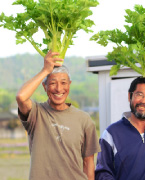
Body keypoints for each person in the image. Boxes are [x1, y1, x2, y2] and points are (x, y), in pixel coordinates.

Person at [16, 51, 100, 180]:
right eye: (53, 83)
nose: (59, 89)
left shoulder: (84, 119)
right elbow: (21, 97)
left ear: (69, 85)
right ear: (44, 86)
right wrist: (45, 70)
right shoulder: (36, 113)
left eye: (63, 83)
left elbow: (88, 163)